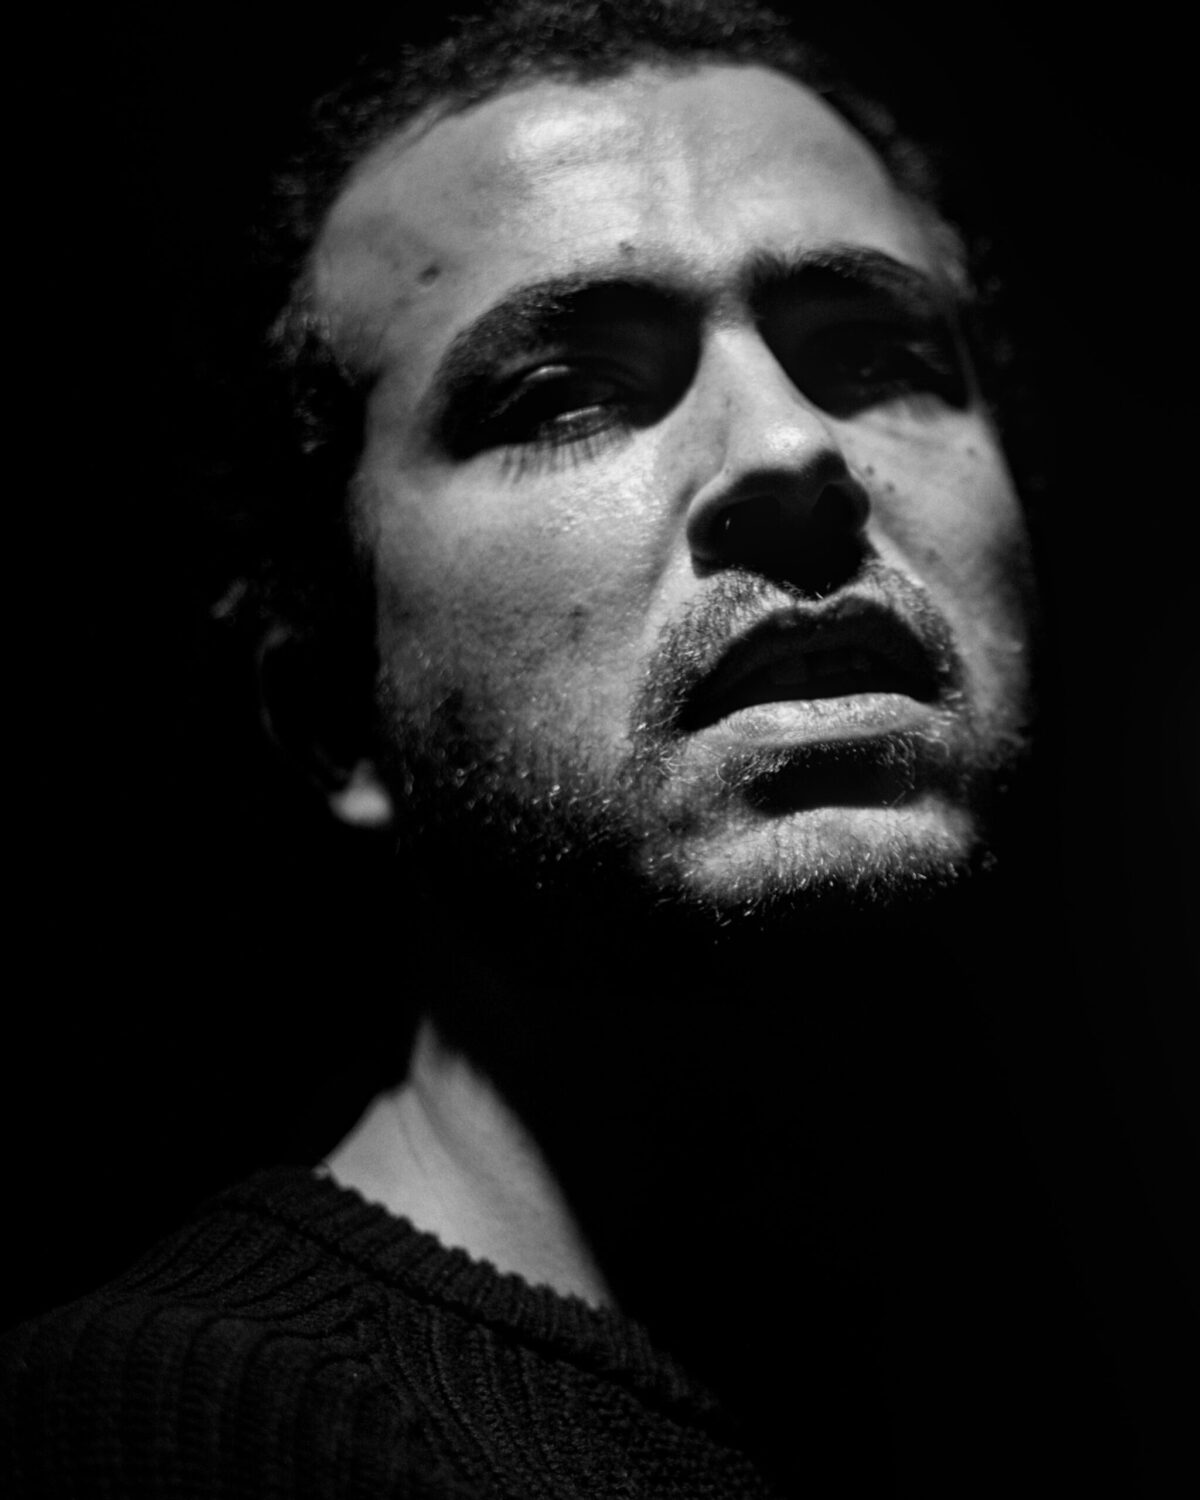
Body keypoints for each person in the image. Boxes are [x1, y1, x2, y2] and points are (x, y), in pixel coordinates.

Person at [5, 1, 1173, 1494]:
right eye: (565, 395)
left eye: (875, 353)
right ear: (332, 711)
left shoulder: (1069, 1364)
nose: (793, 454)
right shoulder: (192, 1432)